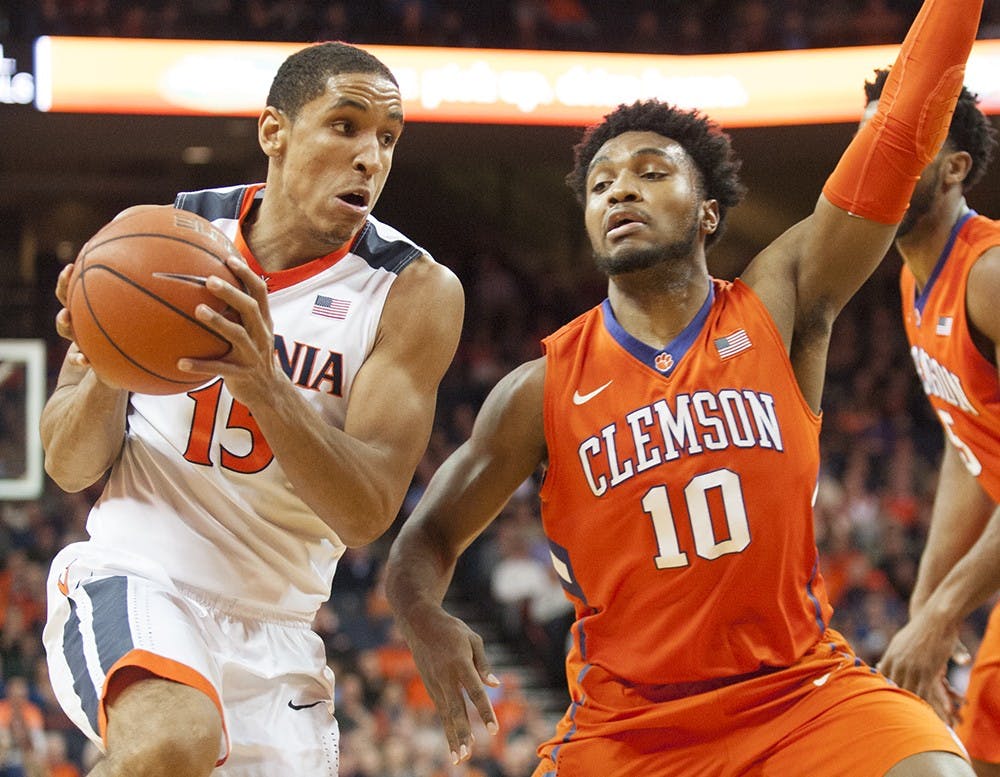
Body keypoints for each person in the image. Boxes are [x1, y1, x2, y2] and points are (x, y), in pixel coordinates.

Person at [383, 0, 985, 774]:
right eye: (600, 184)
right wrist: (422, 613)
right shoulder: (539, 388)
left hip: (798, 692)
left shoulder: (779, 304)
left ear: (707, 213)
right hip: (631, 727)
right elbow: (422, 543)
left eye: (650, 172)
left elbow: (900, 132)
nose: (619, 192)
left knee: (935, 767)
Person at [39, 41, 464, 777]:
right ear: (276, 132)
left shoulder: (411, 290)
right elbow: (67, 463)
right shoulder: (161, 240)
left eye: (387, 139)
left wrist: (263, 383)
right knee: (173, 743)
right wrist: (116, 357)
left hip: (281, 629)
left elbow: (366, 514)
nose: (371, 157)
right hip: (137, 574)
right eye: (346, 125)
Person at [861, 68, 1000, 777]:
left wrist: (944, 613)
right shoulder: (915, 278)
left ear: (954, 168)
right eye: (870, 134)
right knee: (973, 753)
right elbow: (968, 445)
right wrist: (924, 601)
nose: (877, 152)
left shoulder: (990, 273)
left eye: (904, 139)